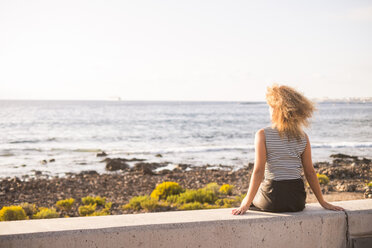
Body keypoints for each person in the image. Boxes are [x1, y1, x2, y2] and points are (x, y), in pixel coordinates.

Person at [231, 84, 344, 215]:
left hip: (272, 198)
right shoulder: (303, 137)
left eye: (270, 106)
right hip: (297, 201)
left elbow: (258, 171)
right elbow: (310, 172)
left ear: (276, 110)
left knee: (250, 200)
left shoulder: (262, 134)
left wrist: (246, 203)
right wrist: (323, 202)